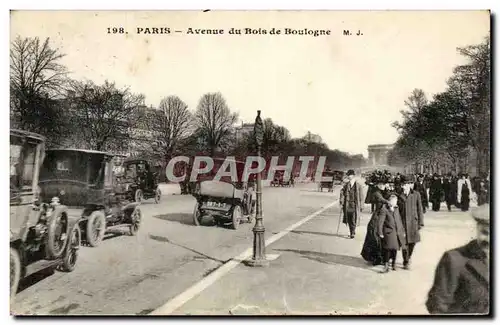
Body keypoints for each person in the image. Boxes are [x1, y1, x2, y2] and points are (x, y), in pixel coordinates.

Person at [426, 204, 490, 314]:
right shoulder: (454, 260)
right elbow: (437, 307)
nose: (489, 239)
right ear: (477, 229)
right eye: (485, 233)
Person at [395, 176, 424, 270]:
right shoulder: (398, 195)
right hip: (402, 222)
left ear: (411, 184)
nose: (404, 186)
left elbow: (420, 209)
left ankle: (409, 256)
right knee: (404, 242)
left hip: (413, 222)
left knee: (412, 242)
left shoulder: (416, 194)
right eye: (403, 184)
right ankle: (406, 261)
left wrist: (421, 222)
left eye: (407, 184)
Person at [361, 174, 390, 265]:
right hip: (377, 216)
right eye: (380, 184)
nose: (382, 186)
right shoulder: (376, 192)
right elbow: (382, 199)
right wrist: (390, 202)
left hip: (384, 216)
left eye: (384, 184)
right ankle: (374, 257)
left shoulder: (384, 191)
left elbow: (390, 195)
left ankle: (380, 257)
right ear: (377, 185)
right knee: (374, 234)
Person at [377, 194, 406, 273]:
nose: (395, 203)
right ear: (389, 201)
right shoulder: (384, 209)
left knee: (395, 249)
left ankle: (393, 264)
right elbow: (380, 222)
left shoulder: (396, 208)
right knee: (388, 249)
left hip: (397, 233)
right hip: (388, 232)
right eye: (393, 201)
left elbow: (399, 220)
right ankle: (386, 266)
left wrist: (402, 231)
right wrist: (380, 232)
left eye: (396, 201)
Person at [339, 169, 363, 239]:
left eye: (350, 175)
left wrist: (361, 205)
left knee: (353, 219)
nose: (349, 176)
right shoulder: (346, 185)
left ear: (353, 176)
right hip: (347, 205)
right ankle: (352, 231)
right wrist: (341, 200)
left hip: (355, 205)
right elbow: (342, 193)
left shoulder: (358, 185)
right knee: (348, 219)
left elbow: (361, 196)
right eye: (348, 175)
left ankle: (352, 232)